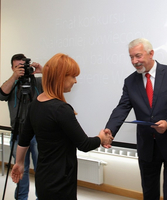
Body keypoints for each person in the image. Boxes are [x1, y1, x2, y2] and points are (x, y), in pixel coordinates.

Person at [10, 53, 113, 200]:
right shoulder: (61, 109)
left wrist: (19, 163)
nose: (75, 81)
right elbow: (84, 144)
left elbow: (24, 139)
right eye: (73, 76)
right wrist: (101, 137)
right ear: (61, 77)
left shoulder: (35, 104)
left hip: (43, 178)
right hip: (61, 181)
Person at [104, 38, 167, 200]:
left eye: (138, 56)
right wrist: (109, 130)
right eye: (131, 57)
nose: (134, 61)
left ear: (151, 53)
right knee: (149, 193)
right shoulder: (130, 81)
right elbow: (122, 108)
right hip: (147, 148)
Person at [0, 53, 42, 200]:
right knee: (21, 174)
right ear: (12, 68)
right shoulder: (12, 84)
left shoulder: (37, 82)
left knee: (41, 172)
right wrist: (14, 77)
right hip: (18, 134)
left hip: (38, 135)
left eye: (23, 67)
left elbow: (60, 83)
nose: (21, 70)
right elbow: (1, 94)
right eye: (18, 67)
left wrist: (43, 70)